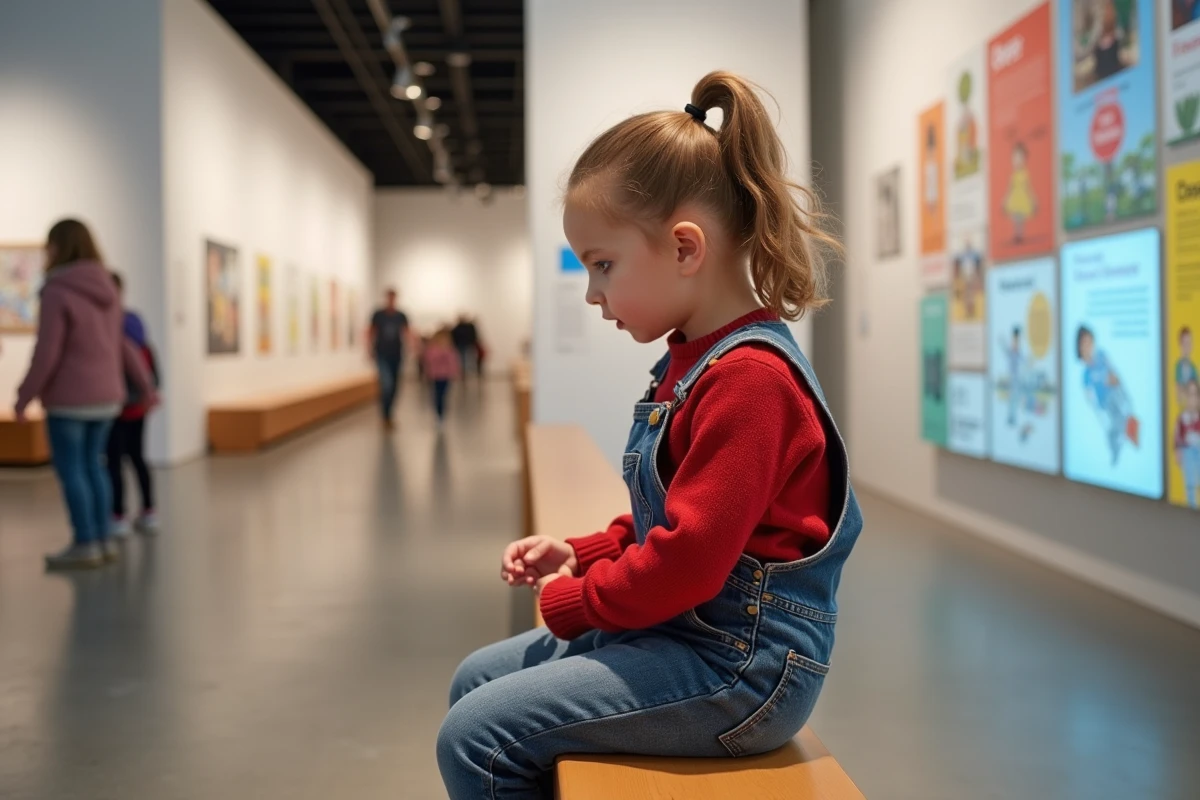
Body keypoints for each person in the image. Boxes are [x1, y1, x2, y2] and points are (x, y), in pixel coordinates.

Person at [437, 71, 861, 798]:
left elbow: (689, 563)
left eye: (602, 265)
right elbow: (674, 518)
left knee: (476, 737)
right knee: (475, 678)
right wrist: (584, 550)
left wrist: (578, 597)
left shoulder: (749, 379)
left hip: (741, 669)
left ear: (685, 248)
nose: (593, 293)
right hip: (692, 632)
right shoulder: (690, 358)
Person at [14, 220, 155, 570]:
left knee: (73, 469)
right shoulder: (106, 288)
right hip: (108, 397)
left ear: (58, 247)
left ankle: (85, 542)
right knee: (96, 466)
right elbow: (122, 346)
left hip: (70, 399)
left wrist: (23, 396)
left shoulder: (57, 291)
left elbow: (47, 353)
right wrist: (147, 386)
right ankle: (103, 538)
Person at [107, 272, 159, 537]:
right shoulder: (135, 325)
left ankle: (118, 515)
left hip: (116, 406)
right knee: (136, 458)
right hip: (135, 406)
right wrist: (152, 392)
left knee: (116, 461)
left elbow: (144, 362)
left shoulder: (112, 327)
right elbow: (150, 362)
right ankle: (148, 511)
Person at [1077, 325, 1138, 464]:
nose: (1088, 347)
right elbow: (1090, 400)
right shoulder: (1086, 374)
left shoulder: (1102, 356)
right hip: (1105, 405)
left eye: (1089, 342)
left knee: (1122, 413)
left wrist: (1116, 383)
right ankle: (1116, 450)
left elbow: (1115, 375)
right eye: (1084, 344)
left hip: (1116, 396)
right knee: (1113, 429)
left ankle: (1127, 433)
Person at [368, 288, 409, 429]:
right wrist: (369, 349)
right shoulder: (378, 315)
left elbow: (407, 332)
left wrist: (415, 347)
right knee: (386, 384)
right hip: (382, 354)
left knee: (394, 386)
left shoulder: (401, 316)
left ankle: (389, 414)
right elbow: (371, 332)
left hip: (396, 354)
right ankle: (384, 415)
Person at [422, 327, 461, 428]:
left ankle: (442, 414)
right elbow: (428, 360)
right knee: (436, 395)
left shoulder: (450, 349)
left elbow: (453, 361)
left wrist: (455, 372)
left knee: (444, 395)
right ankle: (438, 414)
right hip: (435, 376)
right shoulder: (432, 349)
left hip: (446, 376)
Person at [1174, 379, 1200, 508]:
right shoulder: (1182, 419)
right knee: (1190, 482)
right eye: (1190, 395)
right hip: (1188, 452)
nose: (1192, 399)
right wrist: (1177, 451)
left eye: (1195, 395)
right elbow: (1177, 438)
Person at [1004, 142, 1035, 245]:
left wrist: (1032, 200)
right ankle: (1016, 234)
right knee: (1015, 218)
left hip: (1022, 198)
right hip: (1015, 199)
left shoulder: (1025, 174)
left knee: (1020, 218)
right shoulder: (1013, 175)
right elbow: (1010, 188)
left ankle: (1020, 234)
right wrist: (1006, 199)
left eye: (1020, 158)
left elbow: (1028, 188)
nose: (1017, 161)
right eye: (1015, 158)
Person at [1176, 327, 1197, 407]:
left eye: (1189, 343)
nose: (1187, 347)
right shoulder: (1178, 368)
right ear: (1180, 345)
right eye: (1185, 343)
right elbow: (1179, 396)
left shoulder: (1193, 369)